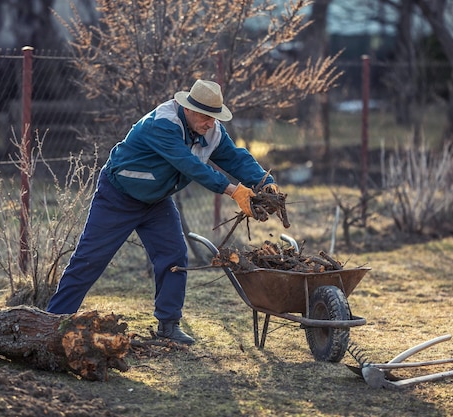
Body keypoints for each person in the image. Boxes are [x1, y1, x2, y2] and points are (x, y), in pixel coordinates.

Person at [46, 79, 279, 345]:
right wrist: (233, 190)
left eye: (214, 117)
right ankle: (53, 322)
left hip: (156, 201)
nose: (210, 123)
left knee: (174, 255)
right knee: (89, 259)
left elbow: (236, 157)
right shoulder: (163, 123)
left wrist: (263, 181)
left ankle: (168, 326)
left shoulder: (212, 132)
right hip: (117, 196)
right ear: (188, 109)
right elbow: (190, 165)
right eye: (205, 116)